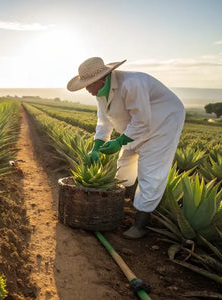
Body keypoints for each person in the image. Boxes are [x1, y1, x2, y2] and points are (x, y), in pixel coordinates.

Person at [66, 57, 185, 239]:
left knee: (150, 172)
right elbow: (104, 120)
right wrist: (96, 146)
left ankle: (141, 224)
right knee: (124, 164)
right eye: (85, 85)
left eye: (89, 85)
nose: (87, 89)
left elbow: (142, 120)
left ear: (102, 78)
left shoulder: (132, 84)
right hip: (136, 125)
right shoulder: (101, 93)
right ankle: (123, 203)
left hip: (164, 122)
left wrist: (119, 141)